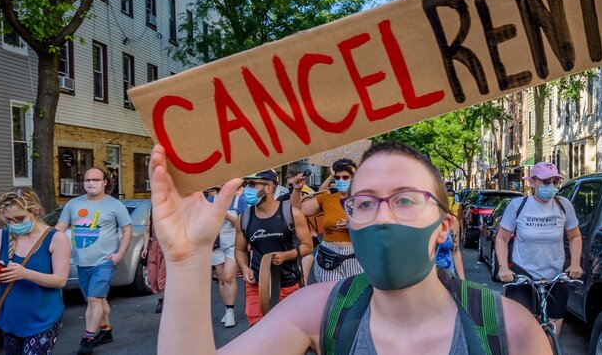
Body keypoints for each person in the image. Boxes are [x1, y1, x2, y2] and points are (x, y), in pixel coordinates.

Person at [149, 141, 551, 354]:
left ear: (444, 227)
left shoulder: (510, 329)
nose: (382, 216)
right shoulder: (318, 311)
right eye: (364, 202)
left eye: (405, 200)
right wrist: (186, 258)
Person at [494, 162, 583, 337]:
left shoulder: (564, 205)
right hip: (523, 278)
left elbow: (575, 236)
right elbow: (501, 238)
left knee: (551, 337)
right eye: (545, 181)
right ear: (533, 182)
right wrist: (503, 267)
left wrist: (575, 264)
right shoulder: (518, 206)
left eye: (555, 182)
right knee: (524, 335)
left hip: (555, 278)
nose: (551, 186)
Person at [55, 167, 132, 355]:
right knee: (98, 299)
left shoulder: (115, 205)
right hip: (82, 261)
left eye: (96, 180)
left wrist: (119, 254)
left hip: (105, 261)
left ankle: (88, 339)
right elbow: (60, 227)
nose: (91, 183)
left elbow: (127, 230)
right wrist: (40, 236)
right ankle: (106, 331)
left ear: (105, 182)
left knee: (93, 299)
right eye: (88, 180)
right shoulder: (72, 204)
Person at [0, 187, 70, 355]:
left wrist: (25, 274)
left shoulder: (56, 238)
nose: (14, 224)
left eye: (19, 218)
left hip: (44, 318)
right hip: (11, 318)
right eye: (8, 220)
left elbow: (60, 280)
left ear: (36, 211)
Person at [234, 170, 312, 326]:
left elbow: (308, 246)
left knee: (288, 334)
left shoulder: (292, 214)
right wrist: (244, 268)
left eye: (251, 184)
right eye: (245, 184)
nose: (246, 189)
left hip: (288, 283)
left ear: (268, 187)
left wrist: (285, 256)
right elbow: (240, 250)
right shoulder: (244, 218)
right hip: (257, 285)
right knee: (257, 333)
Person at [292, 158, 363, 282]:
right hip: (328, 256)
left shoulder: (366, 200)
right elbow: (296, 211)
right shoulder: (326, 199)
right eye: (337, 178)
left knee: (353, 297)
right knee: (331, 296)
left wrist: (355, 225)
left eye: (345, 177)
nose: (341, 181)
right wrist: (297, 189)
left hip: (356, 256)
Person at [207, 184, 243, 328]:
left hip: (233, 245)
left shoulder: (239, 201)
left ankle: (230, 311)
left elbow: (242, 224)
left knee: (229, 277)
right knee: (221, 280)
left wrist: (228, 217)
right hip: (216, 245)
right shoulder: (210, 200)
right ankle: (227, 309)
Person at [435, 189, 465, 279]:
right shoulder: (423, 221)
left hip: (448, 275)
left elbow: (456, 252)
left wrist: (462, 281)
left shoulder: (452, 220)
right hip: (426, 279)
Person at [142, 212, 166, 313]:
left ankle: (164, 299)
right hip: (154, 249)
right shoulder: (151, 216)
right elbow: (147, 232)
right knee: (153, 275)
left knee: (164, 277)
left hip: (167, 250)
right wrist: (145, 248)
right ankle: (165, 298)